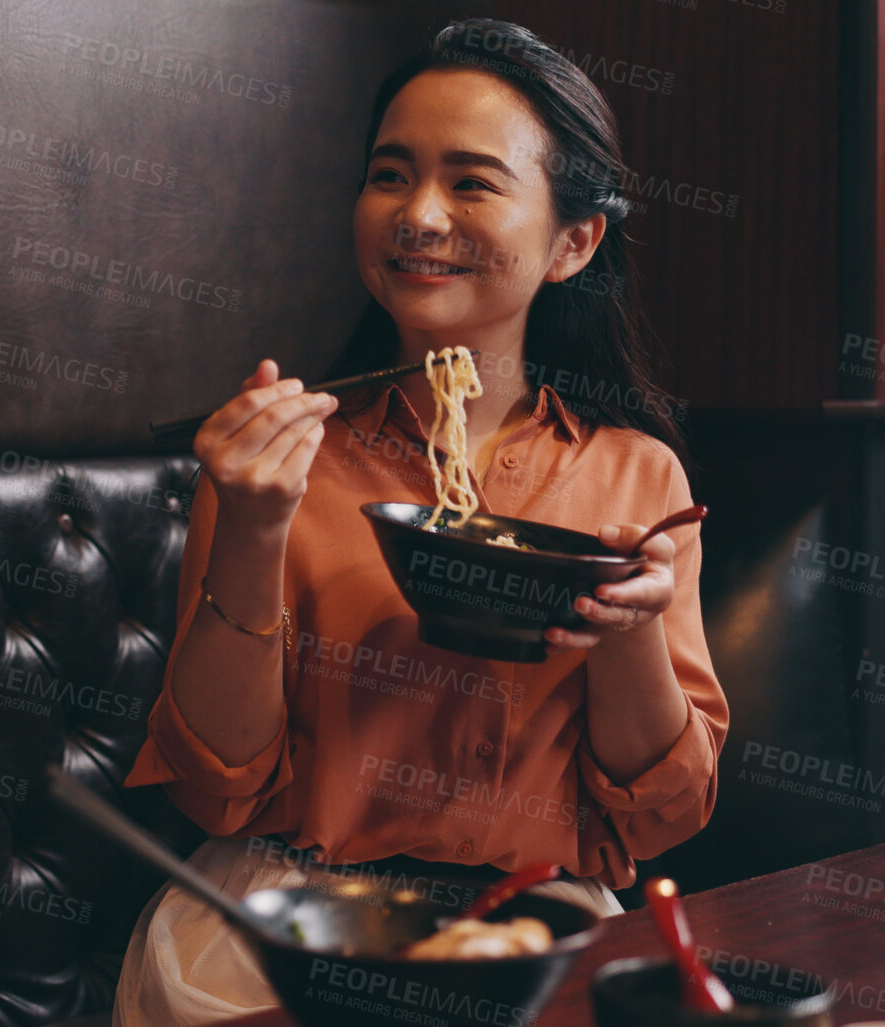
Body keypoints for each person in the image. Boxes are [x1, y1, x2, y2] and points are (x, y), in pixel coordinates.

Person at [114, 19, 728, 1025]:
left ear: (574, 241)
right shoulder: (277, 459)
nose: (419, 215)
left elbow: (662, 815)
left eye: (472, 182)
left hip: (529, 925)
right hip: (281, 927)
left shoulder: (634, 475)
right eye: (390, 175)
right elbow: (215, 787)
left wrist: (628, 639)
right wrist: (257, 525)